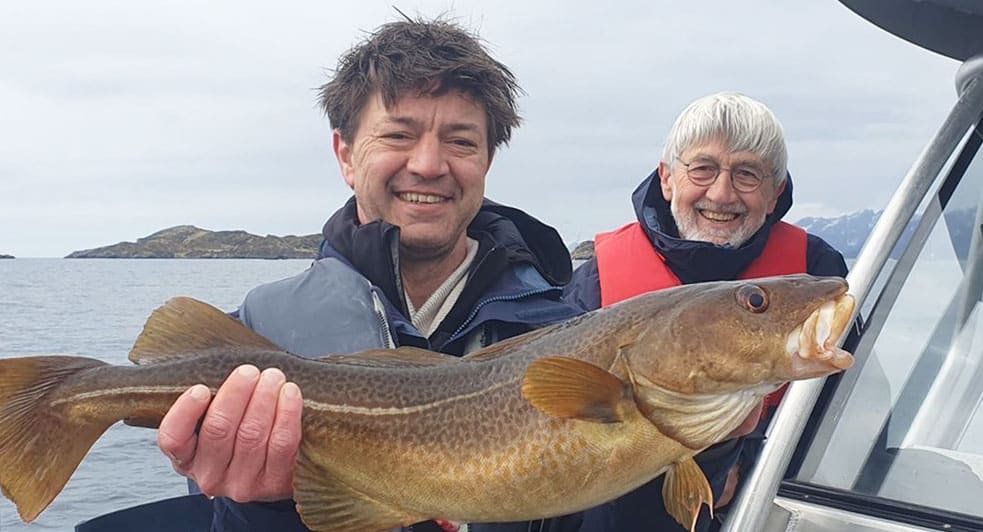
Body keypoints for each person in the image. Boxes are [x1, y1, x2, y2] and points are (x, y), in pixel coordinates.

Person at [155, 17, 586, 532]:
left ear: (487, 161)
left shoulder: (568, 340)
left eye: (461, 141)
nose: (428, 164)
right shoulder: (252, 333)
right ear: (346, 156)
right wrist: (264, 509)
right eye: (398, 135)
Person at [563, 92, 849, 531]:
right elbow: (553, 422)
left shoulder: (813, 277)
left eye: (747, 175)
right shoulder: (597, 279)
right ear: (667, 178)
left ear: (774, 194)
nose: (721, 193)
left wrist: (743, 458)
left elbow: (847, 421)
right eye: (703, 168)